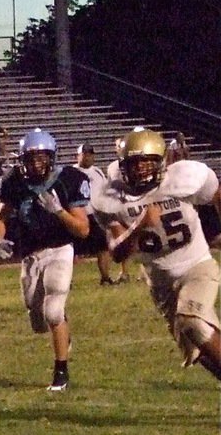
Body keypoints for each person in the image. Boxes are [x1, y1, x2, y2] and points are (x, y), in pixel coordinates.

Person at [91, 129, 221, 380]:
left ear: (161, 161)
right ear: (123, 165)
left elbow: (216, 195)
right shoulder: (110, 196)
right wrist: (140, 226)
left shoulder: (184, 176)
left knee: (191, 321)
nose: (141, 168)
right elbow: (117, 252)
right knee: (197, 348)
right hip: (160, 283)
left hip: (196, 265)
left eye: (148, 161)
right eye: (135, 162)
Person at [0, 129, 90, 392]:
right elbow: (0, 219)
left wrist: (58, 212)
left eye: (42, 158)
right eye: (31, 158)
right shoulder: (13, 181)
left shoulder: (69, 179)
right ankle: (62, 329)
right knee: (38, 321)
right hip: (31, 255)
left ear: (52, 157)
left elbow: (83, 230)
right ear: (22, 160)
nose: (37, 164)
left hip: (60, 249)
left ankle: (61, 373)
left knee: (53, 312)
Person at [72, 143, 125, 286]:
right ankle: (66, 280)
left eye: (90, 154)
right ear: (78, 156)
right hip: (79, 213)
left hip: (95, 215)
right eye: (84, 154)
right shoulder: (71, 172)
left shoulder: (98, 172)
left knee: (102, 248)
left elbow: (103, 191)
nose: (87, 157)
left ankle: (105, 277)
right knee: (72, 250)